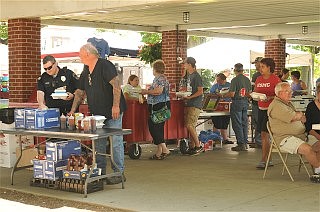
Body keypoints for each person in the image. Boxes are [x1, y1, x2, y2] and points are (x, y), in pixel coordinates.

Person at [69, 43, 127, 185]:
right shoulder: (86, 69)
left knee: (115, 142)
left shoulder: (104, 65)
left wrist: (115, 105)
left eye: (81, 54)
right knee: (99, 143)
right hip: (97, 114)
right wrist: (72, 110)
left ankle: (118, 172)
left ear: (88, 54)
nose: (79, 57)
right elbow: (80, 92)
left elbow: (116, 85)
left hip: (112, 111)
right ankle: (100, 172)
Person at [268, 82, 320, 183]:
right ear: (279, 93)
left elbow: (303, 118)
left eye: (290, 90)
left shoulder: (287, 103)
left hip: (300, 136)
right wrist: (298, 116)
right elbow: (294, 117)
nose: (290, 93)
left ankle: (317, 172)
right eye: (287, 91)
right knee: (307, 149)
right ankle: (318, 169)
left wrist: (298, 116)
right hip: (285, 138)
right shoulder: (276, 105)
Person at [141, 60, 171, 160]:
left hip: (158, 105)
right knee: (159, 128)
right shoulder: (160, 78)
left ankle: (165, 149)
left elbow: (158, 91)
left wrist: (146, 91)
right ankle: (159, 152)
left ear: (155, 69)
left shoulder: (160, 79)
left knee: (154, 127)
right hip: (160, 105)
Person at [254, 58, 281, 168]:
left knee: (265, 134)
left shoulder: (275, 80)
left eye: (263, 66)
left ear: (269, 67)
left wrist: (270, 97)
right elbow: (256, 92)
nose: (260, 69)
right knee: (264, 134)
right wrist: (253, 96)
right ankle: (268, 158)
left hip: (271, 110)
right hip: (260, 108)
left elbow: (280, 95)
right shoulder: (258, 79)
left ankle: (264, 159)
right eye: (260, 66)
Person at [224, 63, 252, 151]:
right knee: (244, 123)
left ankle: (240, 143)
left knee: (237, 124)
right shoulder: (247, 80)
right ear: (242, 70)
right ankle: (245, 142)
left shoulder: (234, 80)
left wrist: (223, 95)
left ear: (235, 70)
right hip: (245, 102)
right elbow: (250, 93)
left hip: (236, 102)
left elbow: (231, 94)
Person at [182, 57, 204, 155]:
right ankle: (193, 145)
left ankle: (198, 145)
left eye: (185, 64)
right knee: (191, 125)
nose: (184, 65)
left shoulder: (196, 76)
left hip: (195, 104)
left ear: (190, 64)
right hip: (190, 103)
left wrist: (190, 97)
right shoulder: (189, 76)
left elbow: (200, 91)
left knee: (190, 125)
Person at [209, 73, 232, 144]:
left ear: (224, 80)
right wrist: (216, 95)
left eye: (219, 80)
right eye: (217, 80)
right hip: (217, 106)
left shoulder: (230, 85)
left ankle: (225, 138)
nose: (218, 82)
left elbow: (233, 94)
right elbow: (210, 95)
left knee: (225, 123)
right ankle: (216, 138)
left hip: (227, 106)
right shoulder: (214, 86)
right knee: (217, 123)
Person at [251, 57, 263, 148]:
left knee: (258, 121)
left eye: (256, 63)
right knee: (257, 121)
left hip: (258, 102)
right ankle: (259, 140)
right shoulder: (256, 75)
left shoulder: (257, 75)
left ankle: (259, 141)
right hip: (256, 101)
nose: (255, 65)